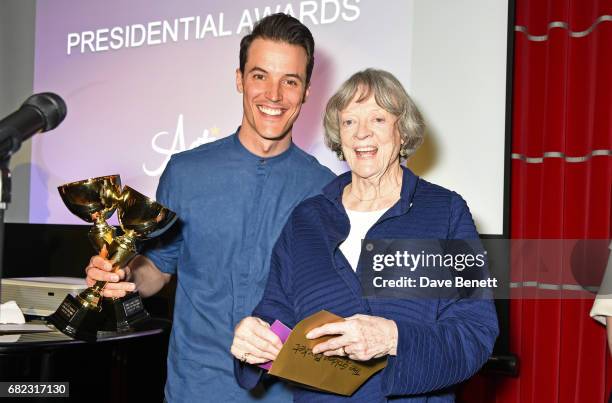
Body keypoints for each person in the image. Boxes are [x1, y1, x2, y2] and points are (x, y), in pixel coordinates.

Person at [85, 13, 335, 402]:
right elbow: (158, 271)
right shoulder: (185, 172)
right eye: (259, 76)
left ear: (306, 91)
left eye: (290, 81)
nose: (274, 94)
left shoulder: (326, 190)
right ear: (239, 79)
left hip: (289, 394)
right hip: (195, 389)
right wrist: (125, 275)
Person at [231, 69, 499, 401]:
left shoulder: (445, 212)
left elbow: (475, 334)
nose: (361, 134)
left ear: (402, 131)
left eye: (377, 119)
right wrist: (255, 338)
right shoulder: (306, 219)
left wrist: (394, 339)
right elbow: (276, 315)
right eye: (349, 122)